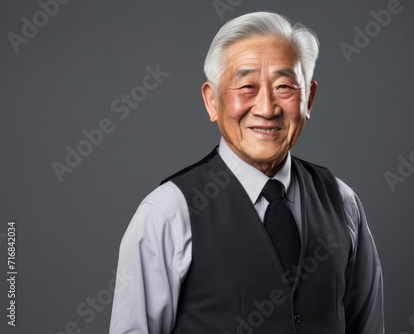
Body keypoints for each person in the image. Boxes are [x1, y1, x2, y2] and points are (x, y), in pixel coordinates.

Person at [109, 11, 384, 334]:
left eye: (284, 86)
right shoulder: (168, 212)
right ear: (212, 102)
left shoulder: (342, 202)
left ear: (308, 98)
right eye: (247, 86)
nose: (267, 108)